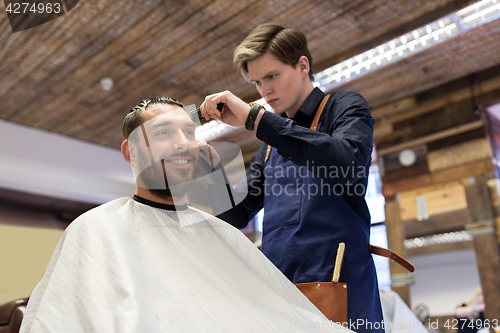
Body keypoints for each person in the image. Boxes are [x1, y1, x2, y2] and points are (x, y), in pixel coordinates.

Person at [20, 97, 355, 333]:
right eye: (164, 133)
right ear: (130, 151)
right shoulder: (96, 230)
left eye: (190, 133)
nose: (183, 143)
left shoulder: (217, 235)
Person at [200, 23, 383, 333]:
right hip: (279, 289)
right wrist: (210, 171)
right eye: (257, 81)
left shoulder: (344, 107)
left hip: (340, 284)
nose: (264, 91)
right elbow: (235, 214)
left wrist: (258, 120)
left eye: (272, 76)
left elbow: (348, 163)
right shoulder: (271, 143)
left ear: (302, 66)